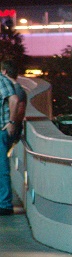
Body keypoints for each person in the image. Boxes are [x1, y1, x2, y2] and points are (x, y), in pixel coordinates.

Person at [0, 63, 19, 216]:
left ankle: (5, 204)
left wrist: (11, 122)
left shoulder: (2, 80)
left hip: (1, 130)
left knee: (2, 168)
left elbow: (14, 99)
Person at [1, 60, 27, 144]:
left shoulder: (17, 90)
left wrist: (11, 123)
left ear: (4, 72)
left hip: (6, 130)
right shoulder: (17, 89)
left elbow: (20, 112)